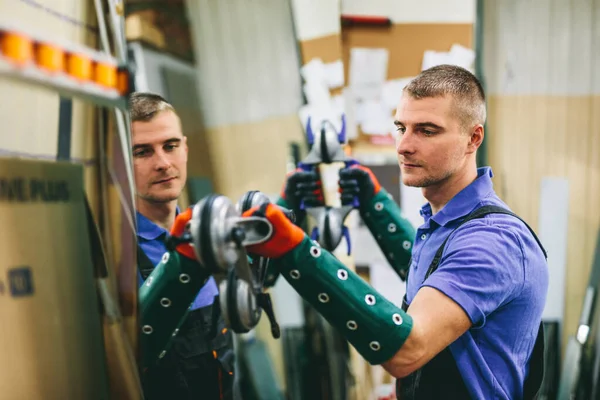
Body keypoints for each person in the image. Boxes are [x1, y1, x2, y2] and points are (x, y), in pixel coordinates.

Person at [241, 65, 549, 400]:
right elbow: (426, 277)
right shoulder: (444, 224)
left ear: (473, 138)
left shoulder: (492, 240)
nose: (403, 145)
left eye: (427, 131)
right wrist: (374, 203)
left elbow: (408, 348)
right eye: (401, 128)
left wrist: (294, 250)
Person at [130, 92, 235, 400]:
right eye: (142, 152)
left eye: (171, 146)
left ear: (185, 148)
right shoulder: (115, 257)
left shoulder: (209, 238)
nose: (163, 163)